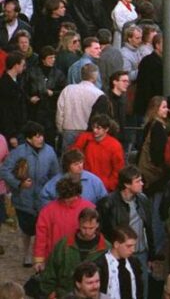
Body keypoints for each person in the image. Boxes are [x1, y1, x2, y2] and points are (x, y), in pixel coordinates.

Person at [0, 120, 59, 267]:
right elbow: (4, 170)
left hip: (43, 199)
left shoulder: (50, 151)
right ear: (28, 138)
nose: (41, 139)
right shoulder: (18, 152)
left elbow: (55, 174)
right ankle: (26, 254)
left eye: (41, 136)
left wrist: (51, 190)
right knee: (26, 229)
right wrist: (19, 184)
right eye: (37, 136)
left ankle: (40, 256)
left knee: (44, 228)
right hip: (24, 199)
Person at [38, 208, 108, 297]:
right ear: (79, 224)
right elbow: (50, 271)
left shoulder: (106, 248)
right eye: (84, 228)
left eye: (91, 228)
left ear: (97, 225)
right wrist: (50, 292)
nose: (87, 232)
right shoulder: (63, 245)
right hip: (64, 294)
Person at [95, 226, 143, 299]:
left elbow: (139, 290)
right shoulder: (101, 265)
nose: (133, 250)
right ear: (116, 244)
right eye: (129, 246)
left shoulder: (134, 263)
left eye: (134, 246)